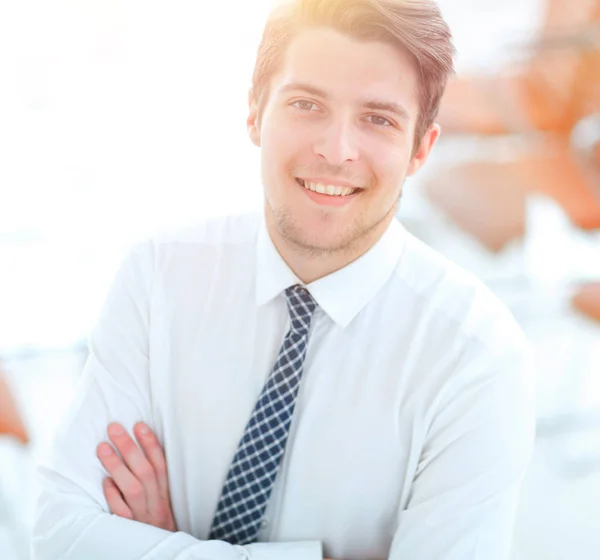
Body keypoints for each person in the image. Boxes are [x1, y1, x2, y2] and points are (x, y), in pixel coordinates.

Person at [32, 0, 536, 558]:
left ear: (421, 148)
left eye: (378, 119)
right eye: (306, 104)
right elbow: (60, 536)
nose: (336, 150)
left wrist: (165, 547)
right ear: (253, 112)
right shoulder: (158, 276)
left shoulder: (476, 357)